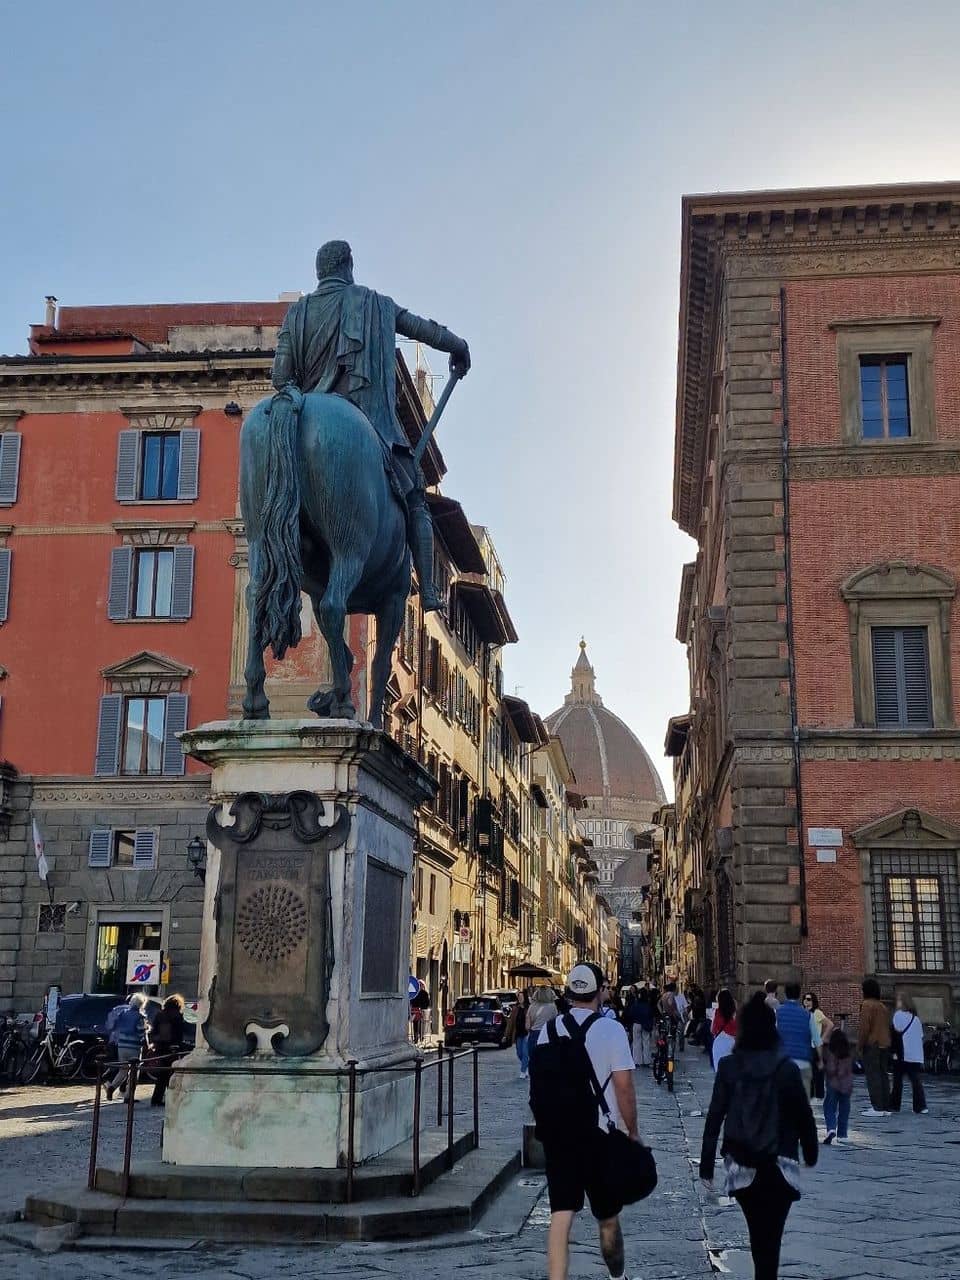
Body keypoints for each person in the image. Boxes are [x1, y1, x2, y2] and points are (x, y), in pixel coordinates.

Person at [271, 240, 470, 613]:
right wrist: (457, 345)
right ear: (348, 266)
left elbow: (280, 376)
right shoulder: (374, 303)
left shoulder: (296, 315)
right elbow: (420, 328)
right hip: (369, 420)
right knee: (415, 499)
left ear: (319, 272)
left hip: (299, 421)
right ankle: (428, 589)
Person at [533, 963, 642, 1280]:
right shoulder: (611, 1030)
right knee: (608, 1218)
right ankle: (616, 1277)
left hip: (559, 1137)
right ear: (601, 992)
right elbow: (624, 1087)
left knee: (561, 1216)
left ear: (567, 994)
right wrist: (632, 1132)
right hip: (599, 1138)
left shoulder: (548, 1032)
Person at [700, 993, 818, 1280]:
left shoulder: (729, 1067)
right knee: (771, 1243)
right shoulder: (787, 1069)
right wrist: (810, 1153)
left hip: (743, 1166)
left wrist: (706, 1166)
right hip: (781, 1164)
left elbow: (715, 1116)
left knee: (757, 1237)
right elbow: (804, 1116)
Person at [776, 984, 820, 1097]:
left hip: (783, 1062)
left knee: (783, 1102)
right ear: (799, 995)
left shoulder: (778, 1013)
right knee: (804, 1102)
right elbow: (817, 1040)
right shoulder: (808, 1015)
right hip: (803, 1061)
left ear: (785, 994)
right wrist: (821, 1060)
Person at [105, 993, 150, 1101]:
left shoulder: (123, 1013)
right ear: (141, 1004)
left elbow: (116, 1027)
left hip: (122, 1044)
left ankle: (112, 1087)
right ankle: (128, 1096)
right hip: (134, 1046)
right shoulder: (140, 1017)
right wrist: (147, 1029)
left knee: (123, 1069)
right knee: (134, 1072)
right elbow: (141, 1033)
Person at [857, 978, 891, 1117]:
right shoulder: (882, 1006)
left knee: (873, 1076)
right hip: (884, 1044)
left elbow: (864, 1028)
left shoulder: (866, 1005)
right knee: (883, 1075)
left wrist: (859, 1045)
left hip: (872, 1044)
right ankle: (886, 1106)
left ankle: (877, 1106)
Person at [890, 993, 928, 1115]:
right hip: (916, 1055)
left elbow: (895, 1032)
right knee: (916, 1081)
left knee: (897, 1081)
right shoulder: (916, 1019)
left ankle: (894, 1105)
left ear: (903, 1002)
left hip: (903, 1054)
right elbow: (921, 1036)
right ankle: (920, 1107)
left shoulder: (898, 1016)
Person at [149, 994, 186, 1107]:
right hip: (172, 1047)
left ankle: (157, 1098)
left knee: (163, 1074)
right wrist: (179, 1045)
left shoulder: (160, 1015)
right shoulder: (177, 1016)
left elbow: (154, 1031)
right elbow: (179, 1033)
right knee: (171, 1073)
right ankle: (171, 1097)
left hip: (161, 1046)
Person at [821, 1026, 854, 1144]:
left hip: (833, 1084)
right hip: (846, 1085)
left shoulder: (830, 1053)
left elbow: (829, 1068)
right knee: (844, 1109)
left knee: (829, 1107)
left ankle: (831, 1128)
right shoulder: (848, 1054)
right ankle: (842, 1134)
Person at [803, 992, 833, 1100]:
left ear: (814, 1001)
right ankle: (810, 1095)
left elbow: (830, 1024)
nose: (807, 1001)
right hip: (806, 1046)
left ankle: (819, 1095)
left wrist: (823, 1038)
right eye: (805, 999)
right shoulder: (803, 1013)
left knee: (818, 1073)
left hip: (815, 1046)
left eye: (809, 999)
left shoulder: (817, 1013)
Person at [527, 985, 561, 1067]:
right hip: (548, 1035)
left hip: (534, 1035)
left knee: (534, 1061)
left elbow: (527, 1026)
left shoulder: (531, 1007)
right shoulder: (553, 1007)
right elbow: (555, 1022)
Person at [711, 988, 738, 1071]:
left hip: (719, 1043)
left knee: (719, 1072)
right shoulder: (734, 1012)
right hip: (732, 1043)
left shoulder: (716, 1012)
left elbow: (712, 1030)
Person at [509, 990, 531, 1079]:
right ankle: (527, 1066)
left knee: (525, 1053)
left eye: (521, 997)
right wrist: (506, 1035)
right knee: (519, 1053)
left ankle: (523, 1071)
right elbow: (511, 1022)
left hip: (527, 1033)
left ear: (525, 998)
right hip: (518, 1034)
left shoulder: (529, 1008)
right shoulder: (515, 1008)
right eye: (519, 997)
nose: (520, 998)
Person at [630, 988, 654, 1068]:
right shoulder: (648, 1005)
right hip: (646, 1024)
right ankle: (646, 1061)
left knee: (636, 1043)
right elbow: (651, 1014)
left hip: (636, 1024)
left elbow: (631, 1013)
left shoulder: (635, 1004)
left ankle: (637, 1061)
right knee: (646, 1042)